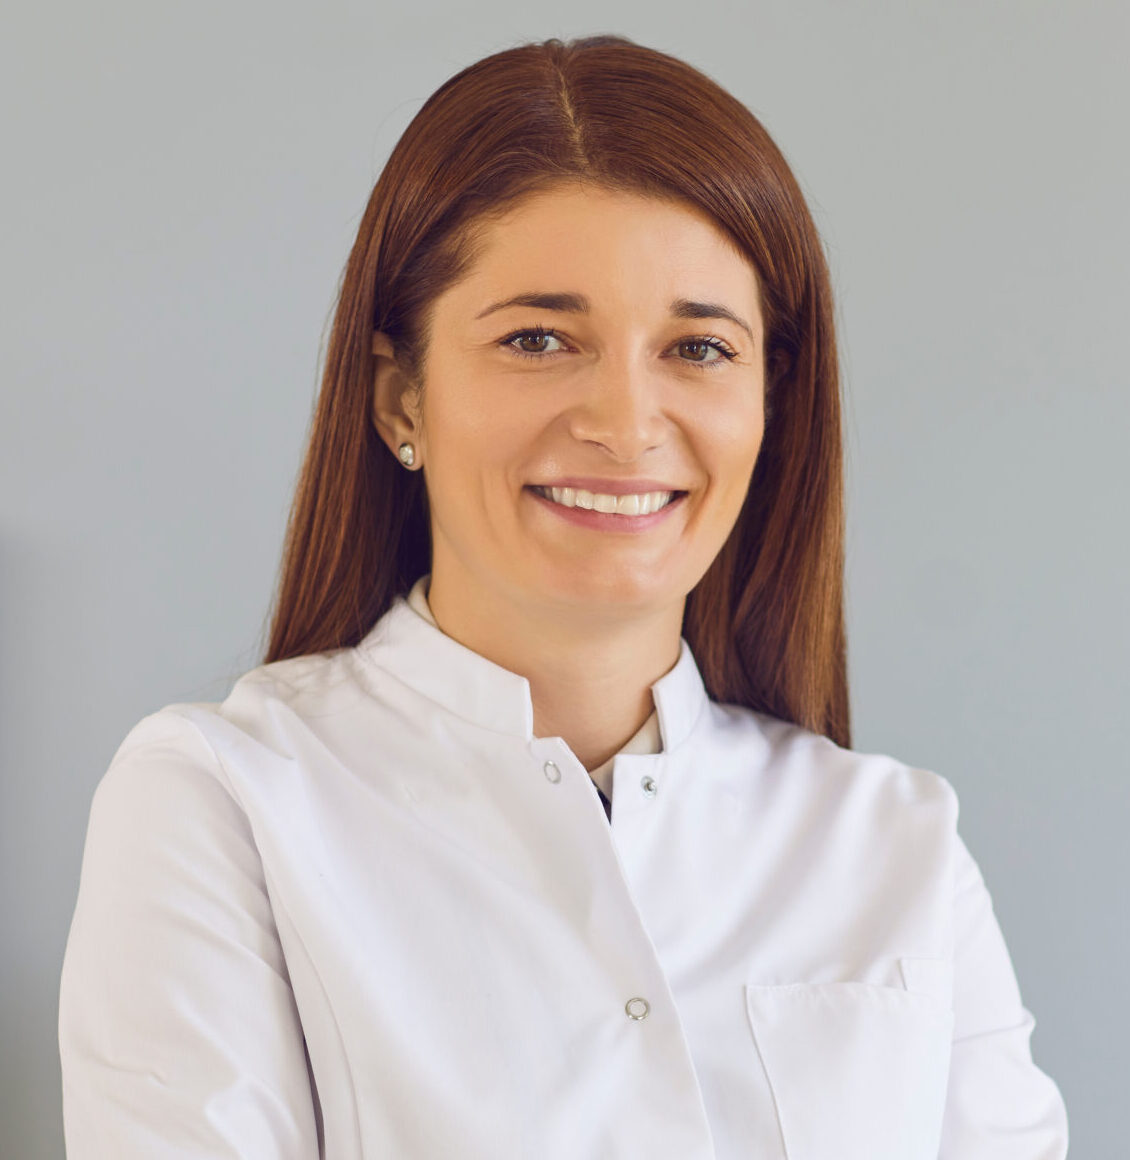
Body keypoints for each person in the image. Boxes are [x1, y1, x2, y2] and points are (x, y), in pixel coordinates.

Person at [57, 34, 1069, 1159]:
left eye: (696, 347)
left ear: (768, 406)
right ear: (400, 396)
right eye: (538, 338)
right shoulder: (226, 804)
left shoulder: (893, 844)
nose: (626, 422)